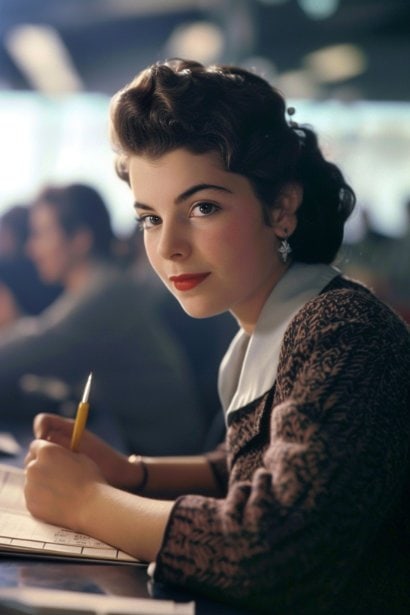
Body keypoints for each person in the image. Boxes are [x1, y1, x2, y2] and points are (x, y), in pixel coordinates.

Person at [24, 60, 410, 614]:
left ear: (281, 208)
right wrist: (132, 473)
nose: (169, 247)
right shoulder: (268, 329)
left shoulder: (344, 332)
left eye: (202, 207)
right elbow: (243, 467)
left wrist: (88, 502)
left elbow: (277, 551)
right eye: (150, 218)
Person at [0, 182, 205, 455]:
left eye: (41, 234)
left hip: (157, 454)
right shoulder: (99, 285)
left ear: (80, 240)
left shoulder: (106, 293)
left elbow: (33, 346)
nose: (32, 249)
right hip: (126, 436)